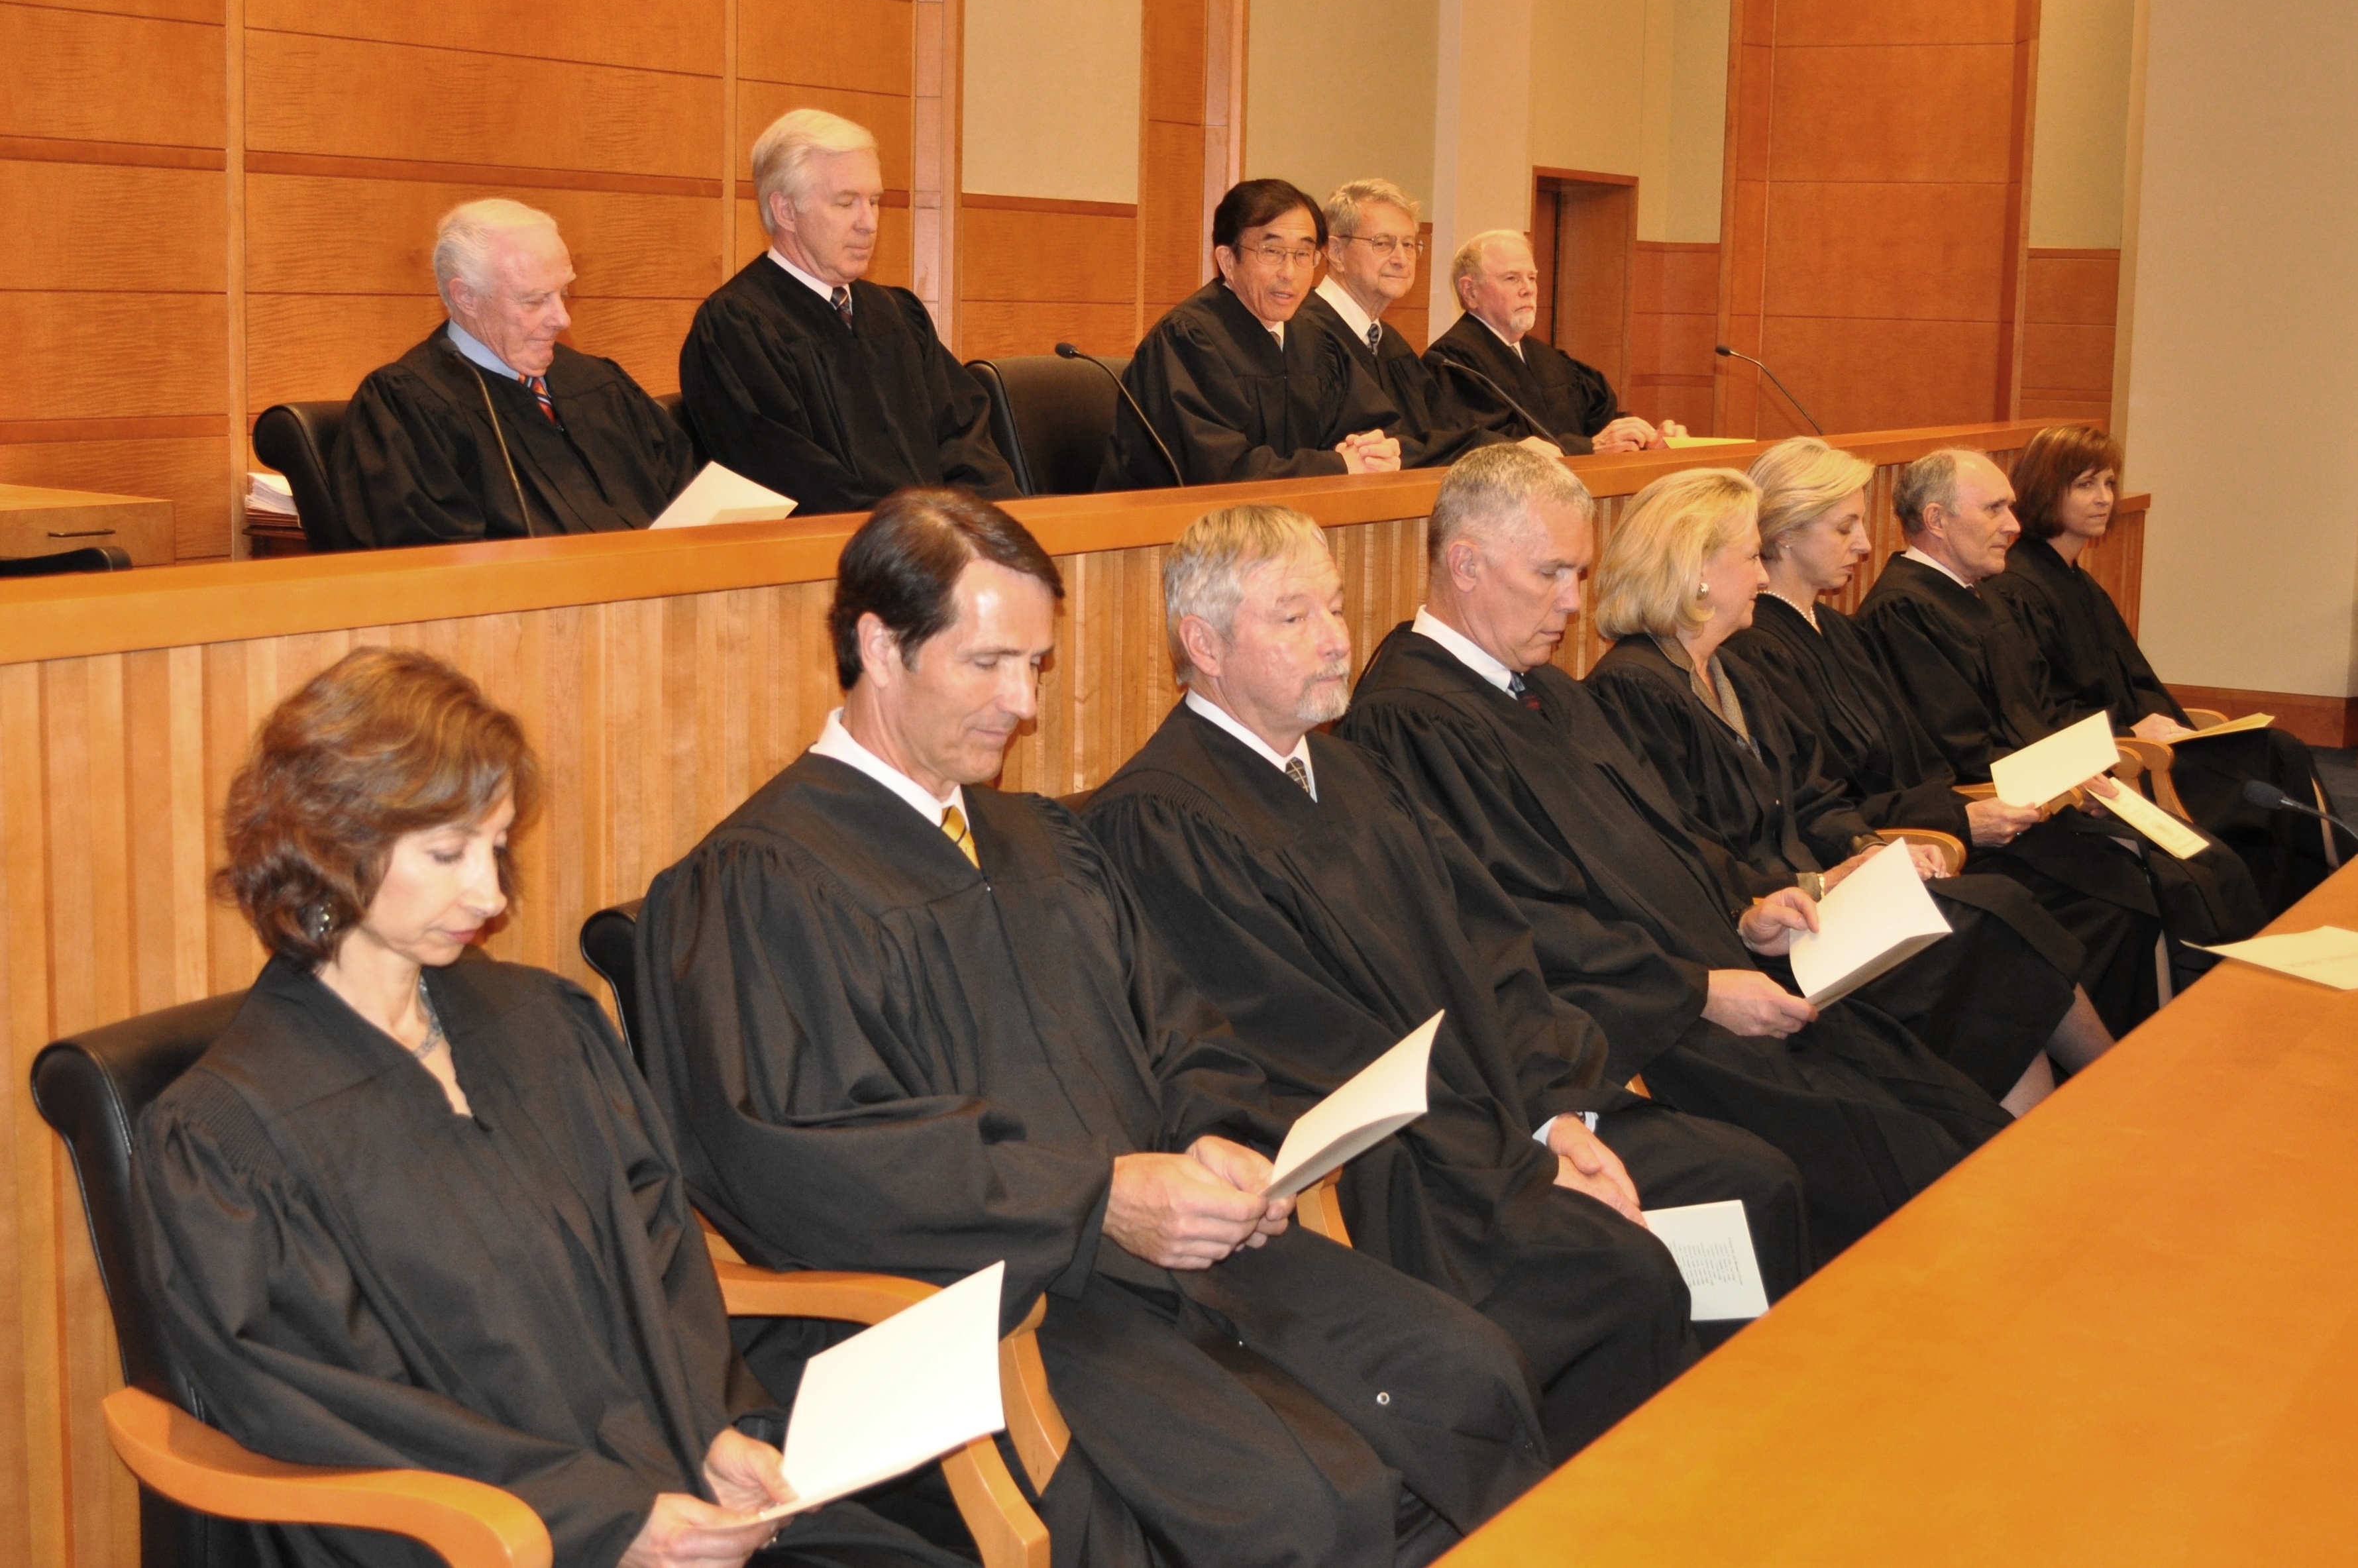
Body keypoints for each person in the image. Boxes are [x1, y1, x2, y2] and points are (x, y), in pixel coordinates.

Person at [632, 488, 1550, 1568]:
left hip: (1175, 1261)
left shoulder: (1039, 840)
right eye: (987, 663)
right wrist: (1096, 1200)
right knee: (1292, 1501)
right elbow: (808, 1170)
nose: (1021, 703)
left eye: (1035, 664)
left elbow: (1180, 1030)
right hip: (981, 1314)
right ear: (879, 647)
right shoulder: (761, 883)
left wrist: (1216, 1136)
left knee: (1467, 1374)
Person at [133, 648, 964, 1568]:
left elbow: (658, 1262)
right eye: (447, 854)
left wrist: (712, 1432)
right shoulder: (229, 1141)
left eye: (494, 847)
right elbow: (339, 1416)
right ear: (330, 845)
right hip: (491, 1542)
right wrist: (607, 1521)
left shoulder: (541, 1027)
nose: (491, 895)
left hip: (678, 1501)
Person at [1084, 505, 1811, 1453]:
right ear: (1203, 645)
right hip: (1395, 1173)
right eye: (1294, 617)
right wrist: (1524, 1158)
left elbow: (1491, 950)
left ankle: (1742, 1460)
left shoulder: (1351, 773)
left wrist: (1555, 1114)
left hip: (1496, 1113)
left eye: (1335, 607)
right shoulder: (1163, 820)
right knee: (1621, 1274)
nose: (1335, 639)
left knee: (1752, 1179)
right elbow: (1309, 1047)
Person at [1338, 445, 2013, 1262]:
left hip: (1721, 973)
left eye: (1578, 574)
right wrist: (1696, 992)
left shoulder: (1544, 689)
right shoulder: (1410, 719)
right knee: (1896, 1163)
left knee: (1951, 1112)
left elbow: (1666, 836)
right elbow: (1515, 919)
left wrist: (1746, 908)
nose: (1572, 602)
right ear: (1466, 564)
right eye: (1550, 574)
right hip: (1639, 1026)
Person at [1581, 468, 2114, 1111]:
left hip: (1819, 906)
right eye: (1751, 558)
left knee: (1995, 919)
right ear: (1694, 569)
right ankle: (2100, 1103)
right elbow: (1682, 857)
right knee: (1986, 934)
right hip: (1762, 934)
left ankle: (2086, 1114)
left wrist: (1867, 849)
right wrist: (1817, 883)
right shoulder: (1633, 688)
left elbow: (1811, 796)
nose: (1762, 577)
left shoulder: (1731, 671)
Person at [1733, 436, 2176, 1035]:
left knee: (2115, 879)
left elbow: (1917, 760)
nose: (1865, 544)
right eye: (1845, 527)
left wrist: (1975, 808)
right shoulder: (1758, 650)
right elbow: (1822, 800)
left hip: (1927, 829)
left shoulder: (1835, 630)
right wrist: (1961, 819)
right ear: (1784, 534)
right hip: (1873, 854)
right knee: (2061, 908)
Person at [1854, 448, 2268, 955]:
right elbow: (1960, 748)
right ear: (1936, 520)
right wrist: (2063, 782)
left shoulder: (1979, 594)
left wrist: (2081, 768)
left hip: (2055, 796)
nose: (2013, 524)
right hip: (2006, 814)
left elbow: (2038, 709)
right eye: (1994, 509)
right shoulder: (1904, 610)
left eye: (2010, 507)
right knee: (2165, 890)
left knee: (2209, 861)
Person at [1983, 425, 2331, 914]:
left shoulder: (2077, 581)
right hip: (2120, 760)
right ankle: (2301, 907)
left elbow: (2134, 680)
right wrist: (2128, 731)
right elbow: (2040, 709)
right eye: (2085, 484)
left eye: (2109, 483)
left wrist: (2168, 723)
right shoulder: (2017, 588)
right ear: (2045, 490)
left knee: (2275, 750)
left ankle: (2307, 902)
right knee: (2274, 756)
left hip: (2147, 742)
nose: (2104, 498)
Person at [680, 109, 1018, 515]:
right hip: (843, 548)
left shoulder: (897, 315)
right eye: (846, 203)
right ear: (786, 211)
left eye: (874, 201)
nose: (869, 223)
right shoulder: (737, 328)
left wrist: (989, 524)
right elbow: (791, 480)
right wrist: (907, 533)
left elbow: (965, 441)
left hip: (933, 540)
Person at [331, 199, 698, 547]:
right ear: (466, 297)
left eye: (563, 293)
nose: (562, 319)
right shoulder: (406, 407)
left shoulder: (600, 384)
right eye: (535, 300)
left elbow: (691, 505)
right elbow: (433, 564)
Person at [1099, 179, 1403, 490]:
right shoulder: (1187, 340)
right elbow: (1220, 471)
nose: (1289, 273)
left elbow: (1375, 425)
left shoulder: (1316, 339)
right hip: (1182, 519)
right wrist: (1337, 466)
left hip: (1296, 516)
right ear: (1228, 261)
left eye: (1303, 253)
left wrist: (1374, 452)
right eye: (1272, 251)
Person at [1293, 180, 1551, 467]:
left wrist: (1505, 449)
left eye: (1408, 244)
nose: (1401, 259)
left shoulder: (1390, 342)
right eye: (1383, 243)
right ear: (1336, 252)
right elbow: (1368, 447)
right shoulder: (1305, 336)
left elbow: (1442, 433)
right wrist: (1497, 449)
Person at [1422, 231, 1679, 454]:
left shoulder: (1547, 358)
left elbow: (1601, 422)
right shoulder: (1453, 362)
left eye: (1532, 278)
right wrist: (1586, 448)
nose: (1528, 289)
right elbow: (1493, 447)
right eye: (1512, 278)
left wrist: (1645, 438)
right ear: (1470, 291)